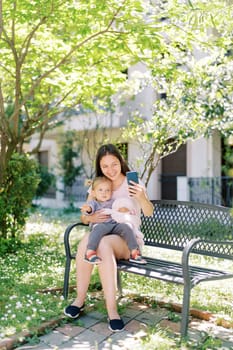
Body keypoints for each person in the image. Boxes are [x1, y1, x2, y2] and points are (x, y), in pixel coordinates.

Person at [64, 144, 154, 332]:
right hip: (103, 233)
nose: (110, 170)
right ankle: (79, 300)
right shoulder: (99, 185)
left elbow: (149, 212)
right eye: (105, 166)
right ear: (99, 167)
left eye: (114, 164)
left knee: (102, 243)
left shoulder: (133, 184)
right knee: (86, 241)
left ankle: (112, 310)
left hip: (128, 240)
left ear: (120, 162)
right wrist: (90, 217)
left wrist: (143, 196)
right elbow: (84, 214)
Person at [81, 175, 147, 264]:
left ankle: (134, 252)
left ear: (111, 192)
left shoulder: (113, 201)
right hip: (101, 225)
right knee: (97, 230)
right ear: (93, 192)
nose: (104, 193)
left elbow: (118, 208)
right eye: (100, 190)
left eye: (107, 190)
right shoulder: (94, 203)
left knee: (127, 226)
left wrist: (124, 210)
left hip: (114, 225)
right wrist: (88, 210)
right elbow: (90, 209)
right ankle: (90, 252)